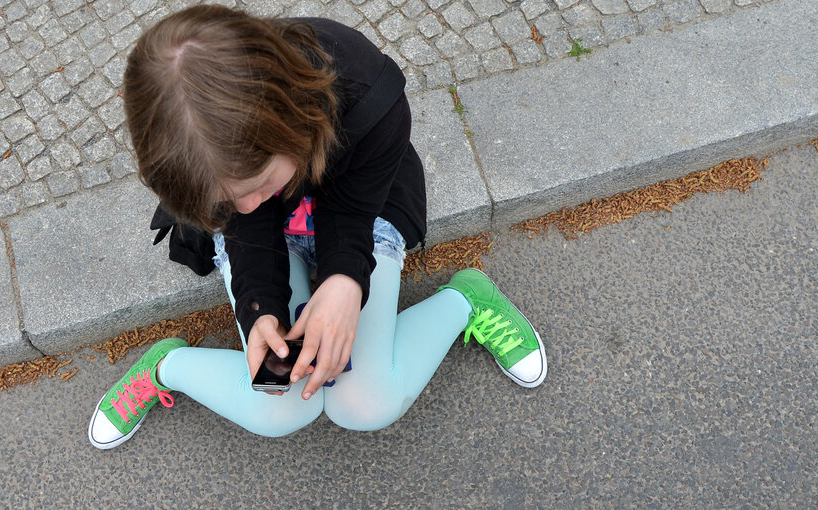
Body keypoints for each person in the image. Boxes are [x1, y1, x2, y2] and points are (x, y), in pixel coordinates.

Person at [88, 5, 547, 449]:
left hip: (365, 210)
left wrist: (344, 281)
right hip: (269, 241)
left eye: (260, 182)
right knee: (279, 409)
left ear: (287, 124)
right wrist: (260, 307)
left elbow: (352, 213)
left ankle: (466, 302)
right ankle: (166, 367)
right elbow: (246, 225)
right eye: (223, 200)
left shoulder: (367, 90)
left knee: (366, 405)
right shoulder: (196, 155)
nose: (245, 204)